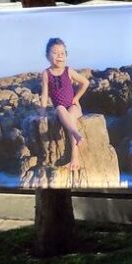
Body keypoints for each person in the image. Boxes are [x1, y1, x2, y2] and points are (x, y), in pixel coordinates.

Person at [39, 37, 90, 171]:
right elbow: (44, 94)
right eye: (55, 53)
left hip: (74, 107)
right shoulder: (46, 74)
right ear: (47, 55)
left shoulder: (68, 71)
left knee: (71, 115)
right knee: (60, 109)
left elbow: (85, 82)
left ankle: (75, 156)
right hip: (61, 109)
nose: (59, 56)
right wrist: (43, 112)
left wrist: (76, 98)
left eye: (62, 53)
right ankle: (76, 134)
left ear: (66, 55)